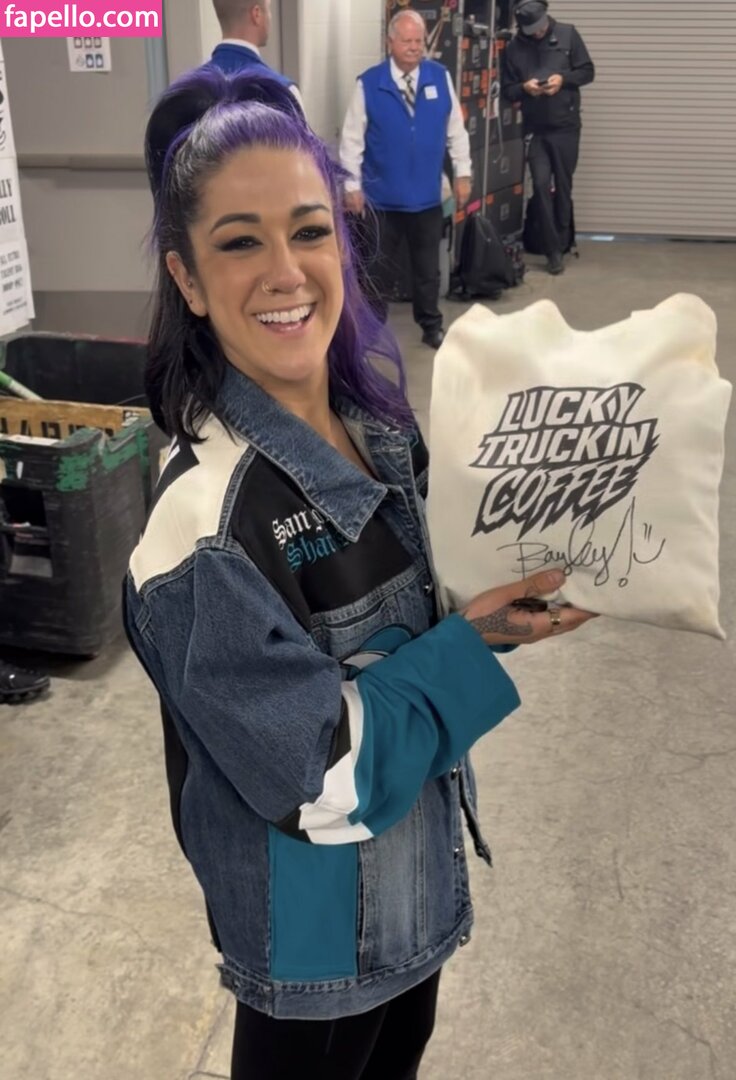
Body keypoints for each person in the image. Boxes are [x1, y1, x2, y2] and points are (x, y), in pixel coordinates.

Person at [126, 67, 594, 1078]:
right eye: (238, 242)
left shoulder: (377, 429)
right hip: (314, 945)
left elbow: (421, 617)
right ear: (187, 279)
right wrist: (472, 646)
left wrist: (503, 597)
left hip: (411, 889)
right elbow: (320, 775)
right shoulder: (198, 534)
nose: (286, 271)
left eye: (308, 230)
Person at [339, 9, 472, 350]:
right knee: (379, 272)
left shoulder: (439, 77)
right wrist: (351, 186)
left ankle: (431, 325)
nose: (414, 47)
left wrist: (463, 172)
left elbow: (456, 131)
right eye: (407, 41)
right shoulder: (370, 83)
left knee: (428, 271)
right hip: (383, 200)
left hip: (427, 198)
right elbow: (352, 140)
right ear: (391, 43)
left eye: (418, 41)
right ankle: (371, 330)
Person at [502, 0, 594, 274]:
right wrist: (524, 87)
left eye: (541, 26)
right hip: (536, 130)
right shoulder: (513, 48)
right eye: (533, 29)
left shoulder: (568, 34)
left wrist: (562, 79)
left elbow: (588, 71)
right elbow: (508, 89)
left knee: (563, 186)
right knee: (541, 186)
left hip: (566, 127)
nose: (539, 32)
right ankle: (552, 251)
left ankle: (563, 242)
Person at [205, 0, 304, 110]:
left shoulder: (192, 89)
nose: (270, 17)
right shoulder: (283, 94)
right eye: (268, 9)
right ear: (256, 14)